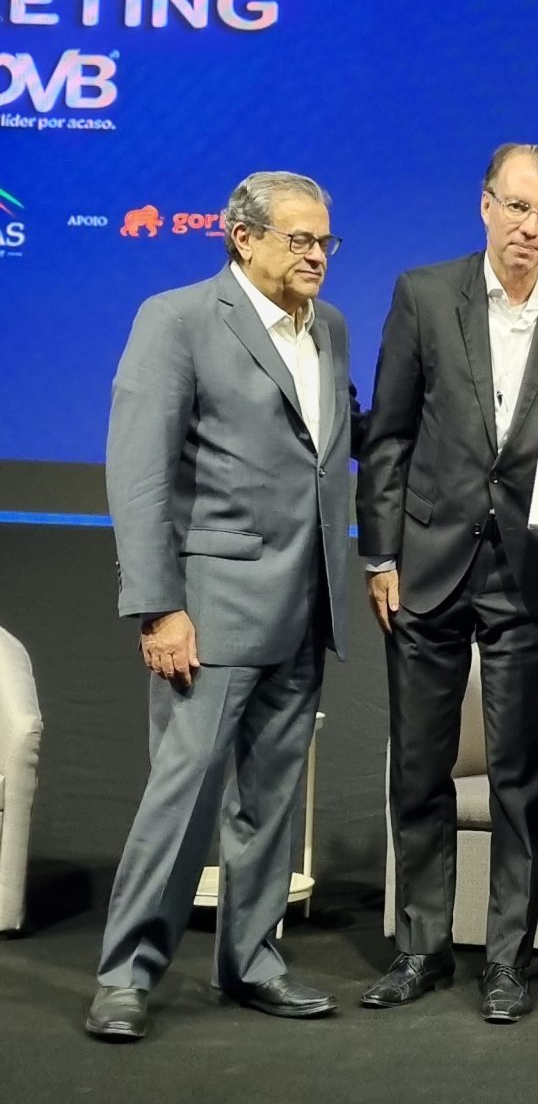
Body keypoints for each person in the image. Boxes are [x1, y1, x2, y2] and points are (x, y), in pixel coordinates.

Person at [86, 172, 358, 1042]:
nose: (316, 255)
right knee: (184, 800)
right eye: (298, 239)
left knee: (270, 805)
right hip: (211, 610)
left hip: (306, 604)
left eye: (324, 241)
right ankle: (126, 977)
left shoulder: (330, 328)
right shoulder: (177, 318)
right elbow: (138, 474)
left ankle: (253, 962)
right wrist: (157, 607)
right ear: (243, 238)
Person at [358, 143, 538, 1022]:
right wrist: (380, 556)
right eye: (516, 207)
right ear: (484, 205)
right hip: (426, 565)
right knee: (419, 767)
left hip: (527, 570)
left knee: (518, 775)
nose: (528, 227)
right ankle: (420, 948)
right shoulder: (424, 295)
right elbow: (388, 437)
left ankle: (506, 961)